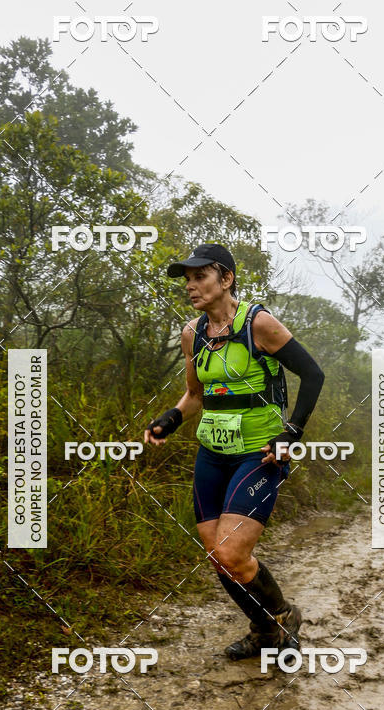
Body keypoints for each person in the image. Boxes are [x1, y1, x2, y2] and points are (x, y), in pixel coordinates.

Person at [144, 243, 324, 660]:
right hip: (212, 452)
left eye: (200, 277)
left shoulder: (258, 323)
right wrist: (170, 419)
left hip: (259, 453)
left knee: (230, 550)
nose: (191, 286)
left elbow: (313, 374)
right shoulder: (193, 334)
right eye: (187, 280)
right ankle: (265, 631)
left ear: (226, 279)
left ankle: (283, 615)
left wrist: (291, 432)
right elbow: (195, 394)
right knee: (218, 557)